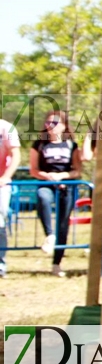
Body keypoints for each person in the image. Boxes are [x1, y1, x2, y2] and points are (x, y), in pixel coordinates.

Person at [29, 110, 83, 277]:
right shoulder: (39, 144)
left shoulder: (71, 145)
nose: (50, 126)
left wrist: (62, 176)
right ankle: (49, 235)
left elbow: (77, 171)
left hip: (65, 187)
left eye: (54, 123)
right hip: (46, 184)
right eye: (47, 123)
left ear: (64, 126)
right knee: (43, 197)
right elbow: (33, 170)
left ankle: (56, 263)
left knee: (63, 225)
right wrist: (48, 176)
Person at [0, 118, 20, 278]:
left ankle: (0, 265)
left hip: (1, 185)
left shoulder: (6, 128)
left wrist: (5, 177)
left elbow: (16, 155)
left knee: (0, 222)